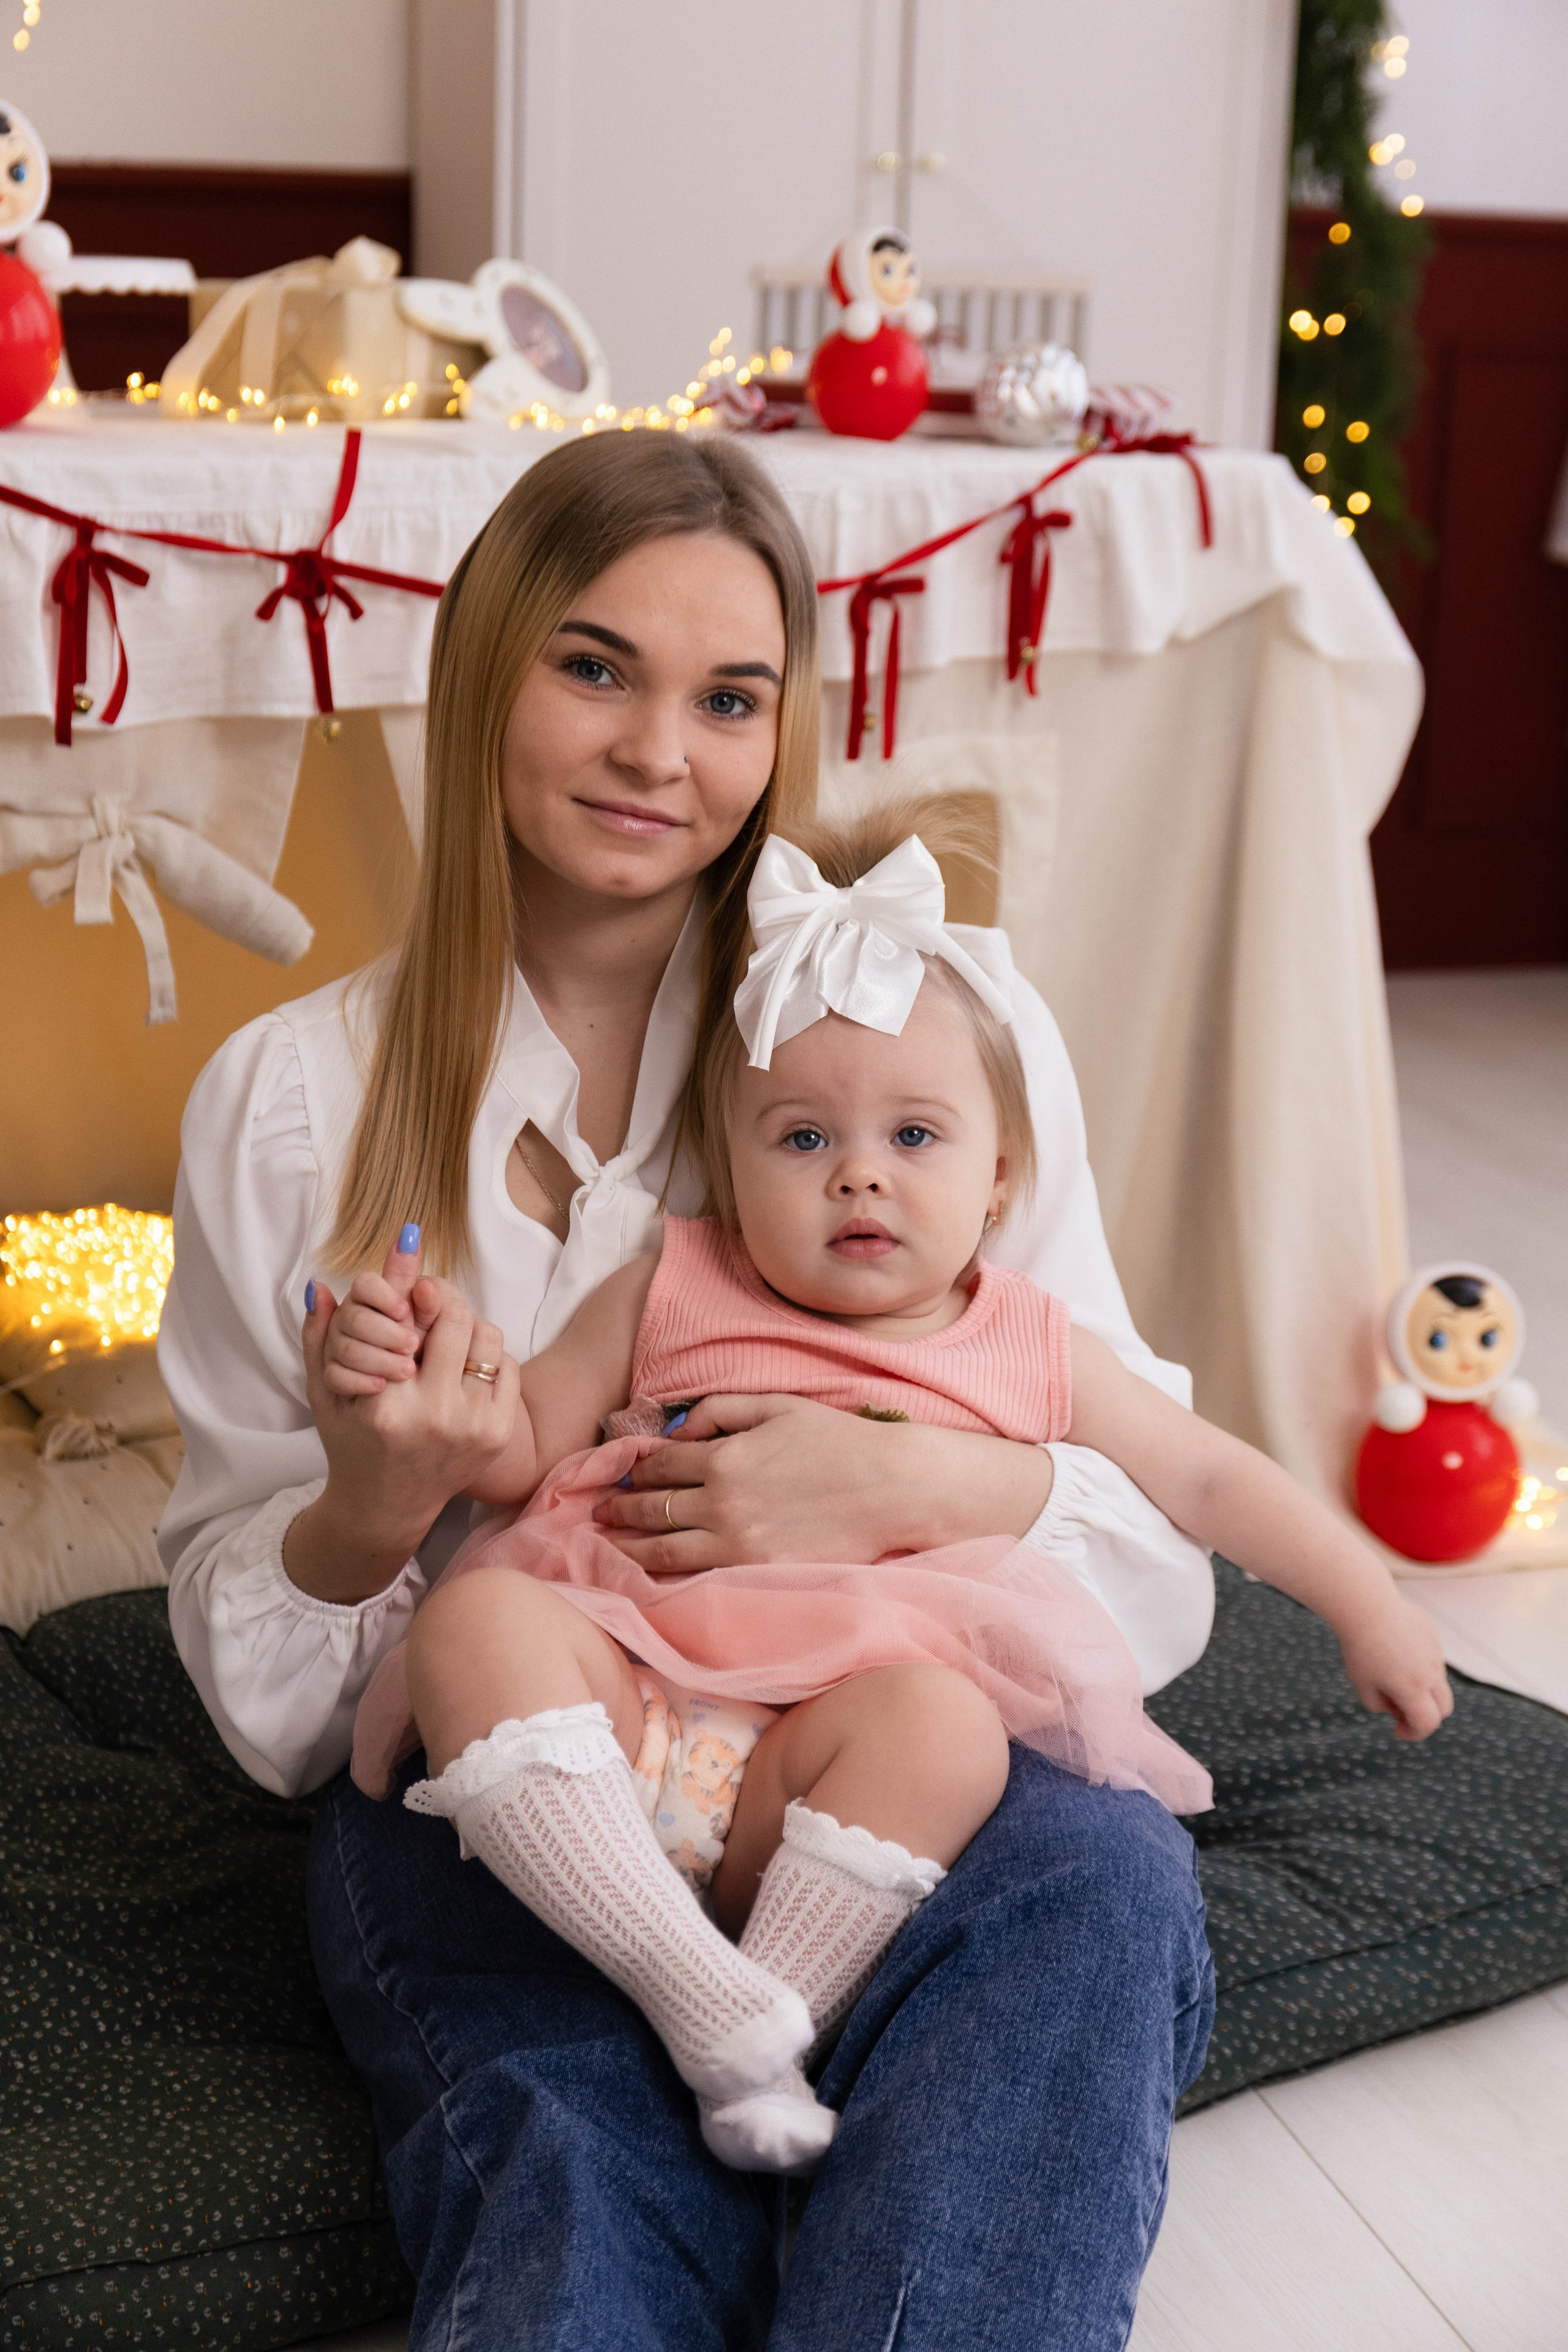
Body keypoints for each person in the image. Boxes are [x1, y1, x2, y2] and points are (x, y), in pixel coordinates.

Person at [160, 429, 1222, 2348]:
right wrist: (372, 1505)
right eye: (594, 669)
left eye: (728, 697)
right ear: (482, 665)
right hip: (533, 1797)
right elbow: (284, 1728)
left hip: (897, 1748)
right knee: (577, 2160)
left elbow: (1157, 1561)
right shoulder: (291, 1103)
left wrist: (922, 1488)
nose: (663, 752)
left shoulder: (930, 1031)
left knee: (1104, 1897)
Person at [322, 808, 1448, 2180]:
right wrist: (438, 1375)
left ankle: (764, 2014)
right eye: (799, 1140)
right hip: (619, 1707)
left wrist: (1364, 1601)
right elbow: (515, 1451)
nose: (858, 1170)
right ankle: (699, 1998)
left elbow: (1205, 1471)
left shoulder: (1024, 1340)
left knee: (947, 1726)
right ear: (726, 1175)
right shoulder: (672, 1280)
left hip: (818, 1769)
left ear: (996, 1186)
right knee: (469, 1625)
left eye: (914, 1134)